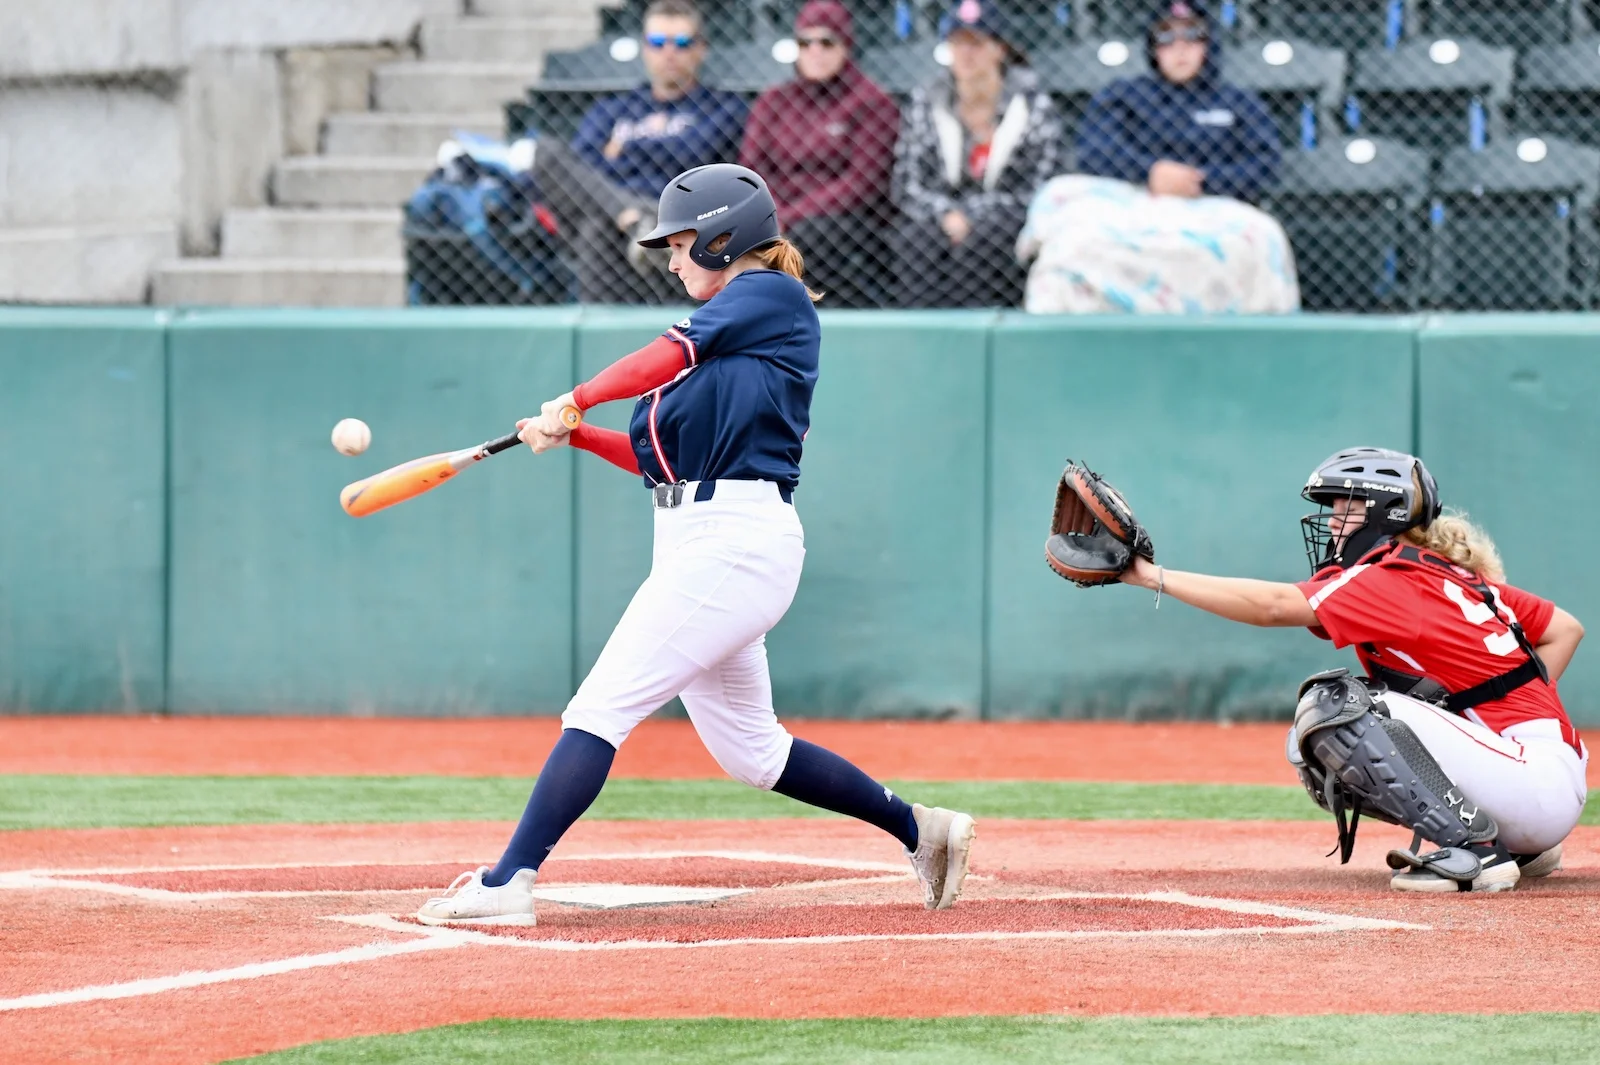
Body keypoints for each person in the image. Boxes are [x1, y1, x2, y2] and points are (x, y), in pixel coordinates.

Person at [416, 164, 978, 926]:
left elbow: (659, 355)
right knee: (754, 752)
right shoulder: (724, 353)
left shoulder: (765, 294)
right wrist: (578, 435)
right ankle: (923, 830)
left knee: (600, 705)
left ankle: (510, 878)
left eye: (681, 245)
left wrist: (578, 396)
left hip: (737, 543)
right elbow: (657, 462)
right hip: (700, 542)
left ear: (724, 236)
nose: (673, 261)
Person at [1109, 447, 1586, 893]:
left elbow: (1274, 606)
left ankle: (1478, 850)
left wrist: (1152, 576)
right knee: (1307, 742)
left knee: (1334, 708)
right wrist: (1503, 719)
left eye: (1345, 510)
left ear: (1384, 514)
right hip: (1544, 774)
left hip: (1535, 782)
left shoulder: (1390, 578)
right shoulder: (1440, 572)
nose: (1333, 523)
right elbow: (1566, 629)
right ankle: (1521, 845)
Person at [533, 0, 748, 304]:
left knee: (596, 226)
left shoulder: (722, 107)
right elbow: (583, 164)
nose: (669, 52)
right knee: (546, 152)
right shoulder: (614, 107)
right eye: (658, 42)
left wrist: (624, 150)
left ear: (701, 49)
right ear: (645, 49)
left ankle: (604, 328)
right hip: (618, 213)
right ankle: (632, 218)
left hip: (678, 216)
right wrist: (626, 196)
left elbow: (692, 154)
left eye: (682, 42)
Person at [889, 0, 1063, 308]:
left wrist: (973, 214)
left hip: (1004, 219)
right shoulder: (926, 102)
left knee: (986, 241)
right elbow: (907, 182)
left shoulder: (1033, 106)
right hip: (939, 215)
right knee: (916, 240)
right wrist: (947, 214)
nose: (966, 53)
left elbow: (1042, 186)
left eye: (977, 43)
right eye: (958, 42)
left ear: (999, 49)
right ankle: (922, 338)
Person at [739, 1, 901, 308]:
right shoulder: (773, 101)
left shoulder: (872, 102)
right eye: (805, 42)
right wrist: (772, 217)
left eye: (827, 41)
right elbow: (751, 171)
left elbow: (862, 183)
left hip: (845, 220)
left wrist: (791, 218)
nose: (815, 50)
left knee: (813, 235)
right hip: (776, 216)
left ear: (846, 46)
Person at [1076, 1, 1280, 203]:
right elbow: (1094, 150)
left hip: (1216, 208)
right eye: (1165, 37)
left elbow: (1265, 161)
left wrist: (1198, 181)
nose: (1180, 47)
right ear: (1152, 47)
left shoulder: (1238, 102)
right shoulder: (1123, 96)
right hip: (1138, 207)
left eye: (1193, 35)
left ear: (1209, 43)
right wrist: (1151, 173)